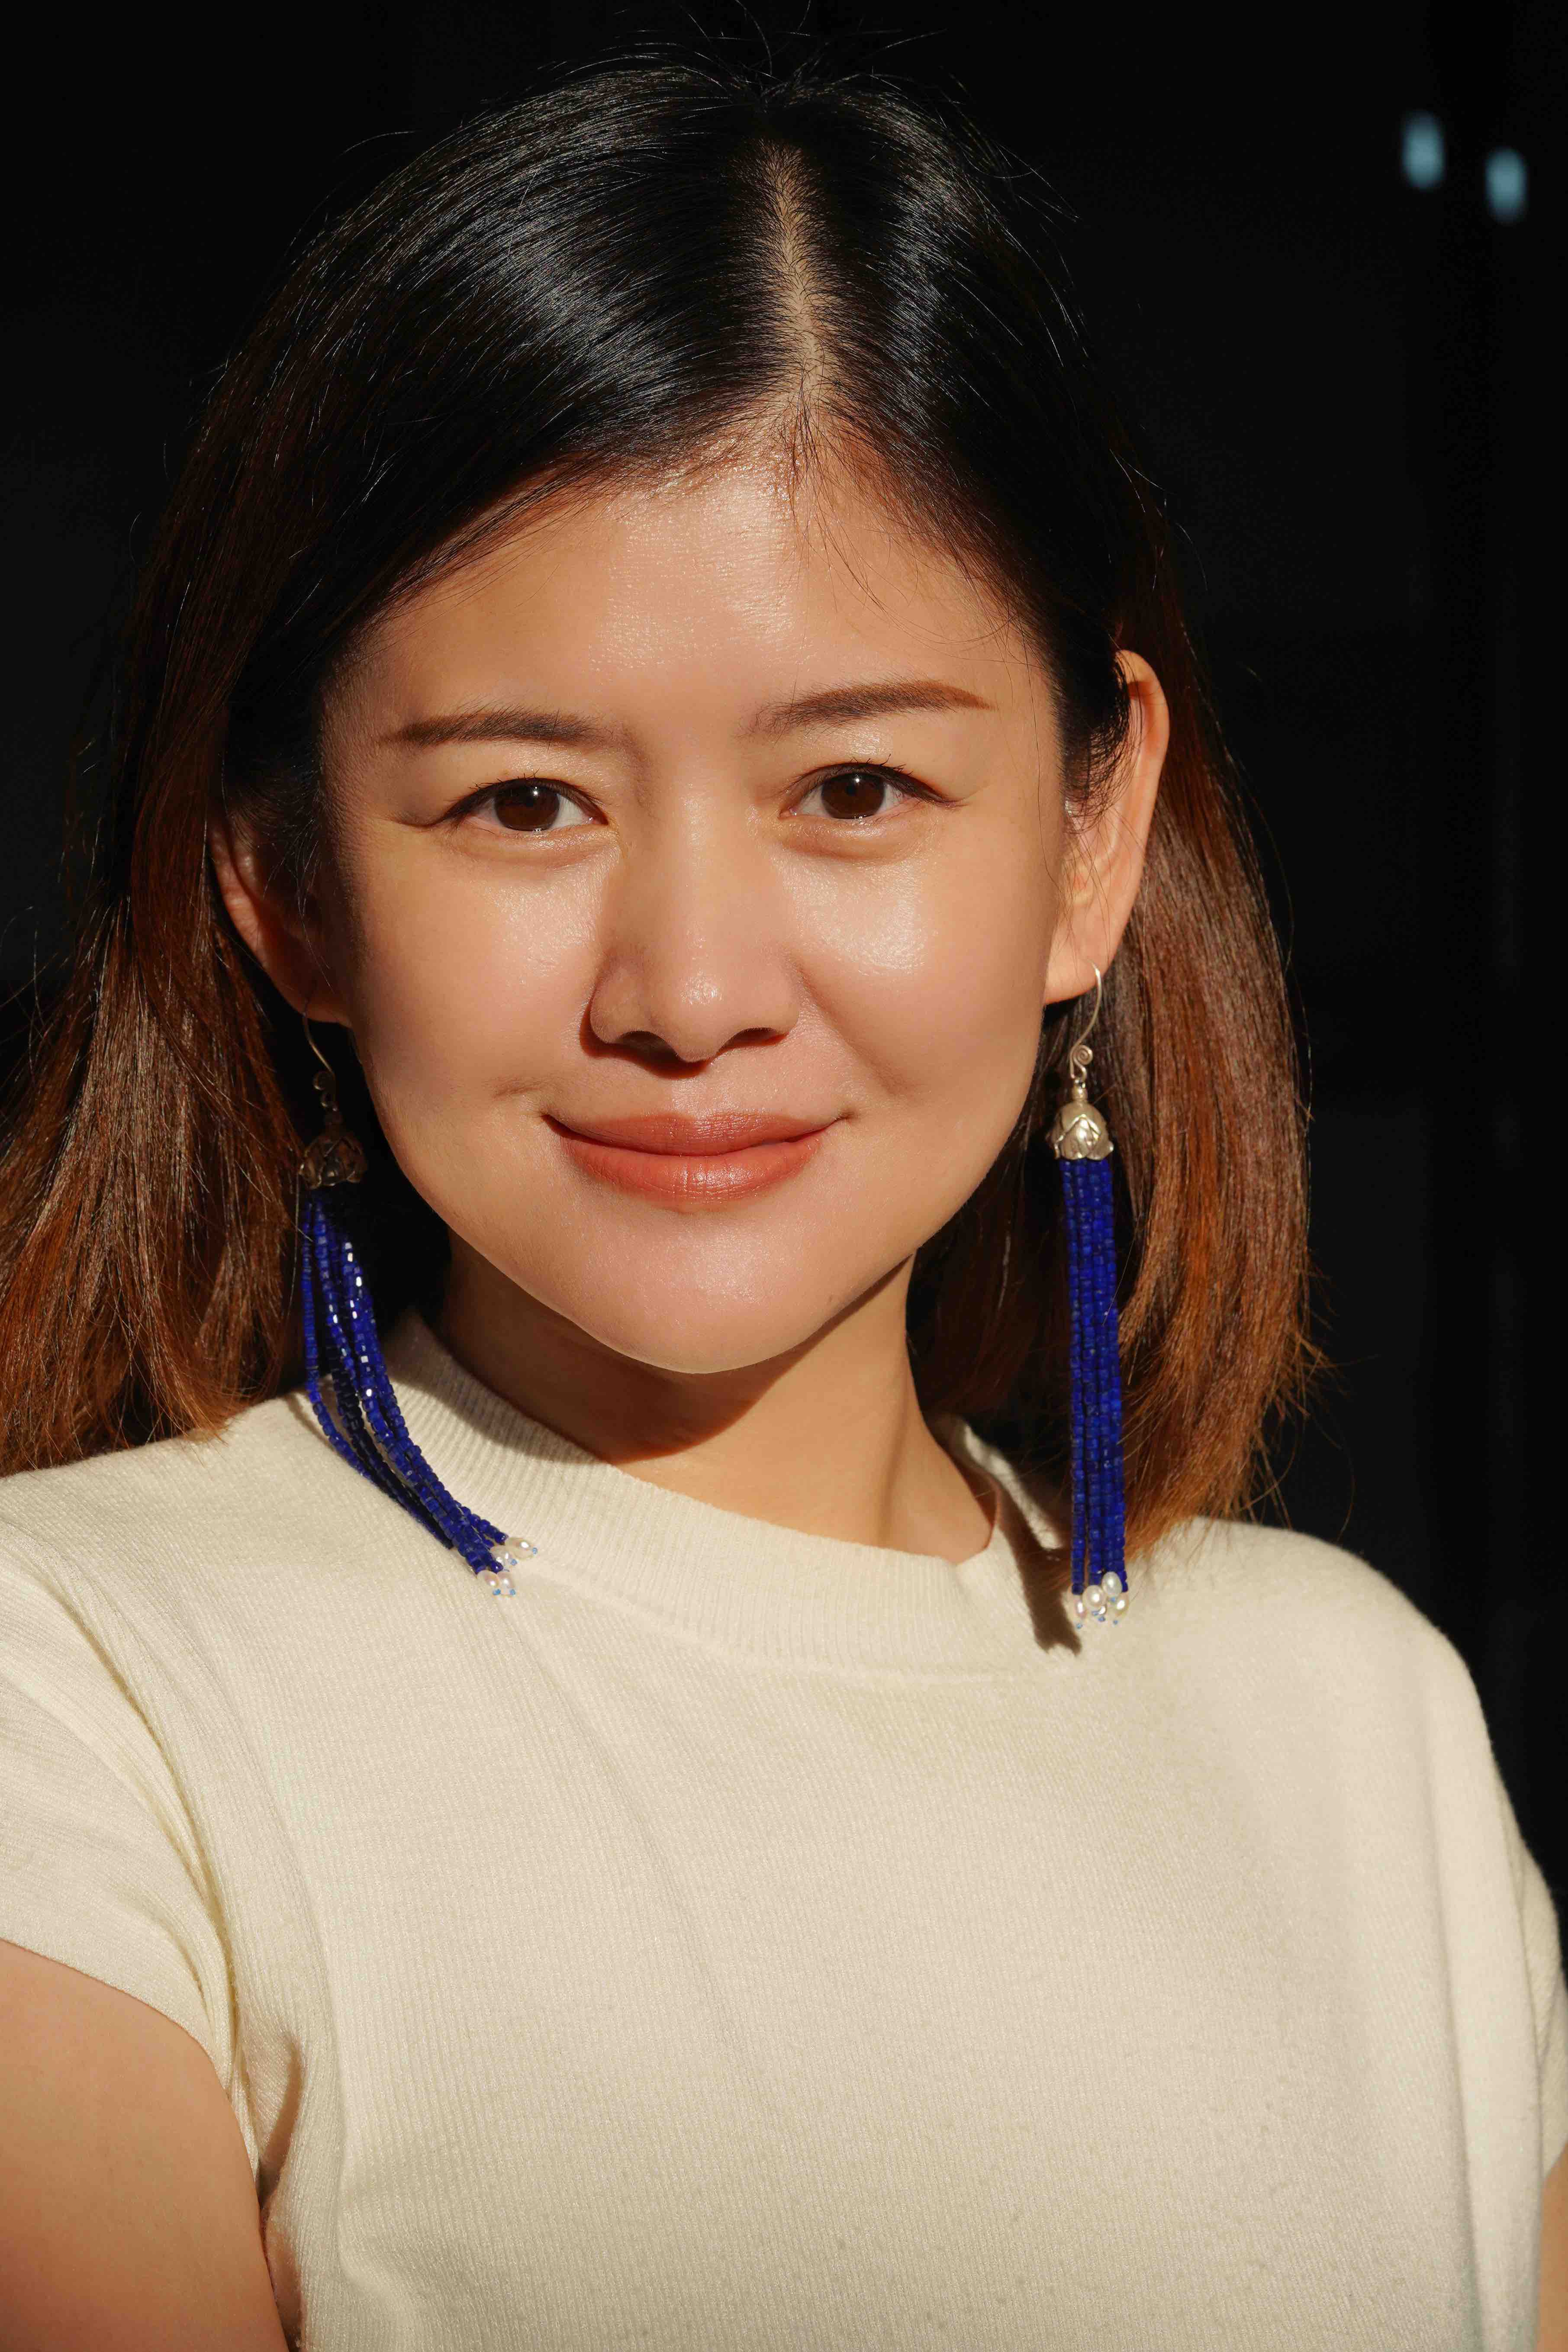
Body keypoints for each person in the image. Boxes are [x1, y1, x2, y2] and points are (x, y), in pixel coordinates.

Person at [0, 54, 1562, 2352]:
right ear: (288, 883)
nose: (693, 990)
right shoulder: (80, 1691)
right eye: (524, 803)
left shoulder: (1358, 1727)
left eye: (853, 787)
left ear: (1091, 838)